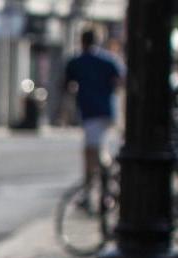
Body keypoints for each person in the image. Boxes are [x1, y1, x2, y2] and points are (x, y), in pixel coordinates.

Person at [62, 29, 125, 207]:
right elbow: (120, 80)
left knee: (91, 152)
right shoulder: (109, 60)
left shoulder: (77, 62)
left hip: (91, 112)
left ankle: (97, 188)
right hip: (108, 110)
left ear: (81, 41)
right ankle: (102, 183)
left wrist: (66, 110)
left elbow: (67, 86)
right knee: (95, 149)